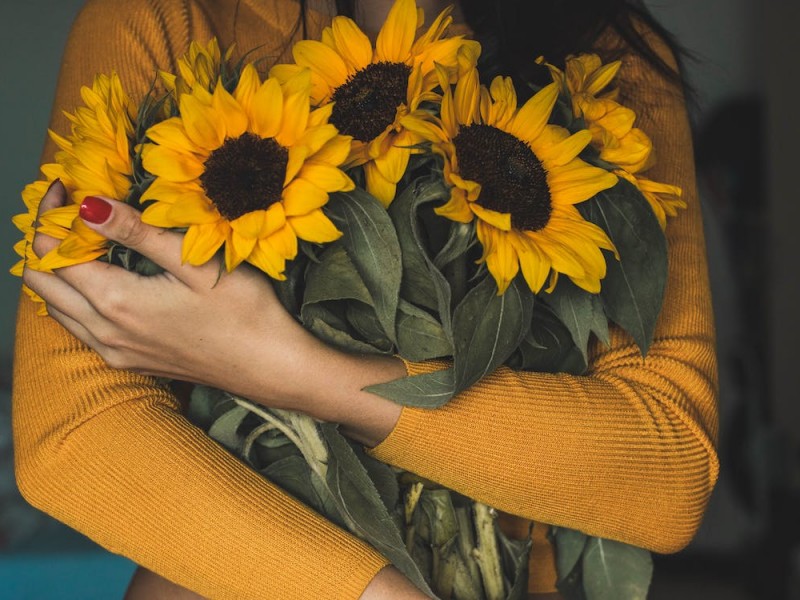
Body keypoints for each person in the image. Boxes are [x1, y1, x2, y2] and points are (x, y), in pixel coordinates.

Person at [14, 0, 719, 598]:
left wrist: (292, 370)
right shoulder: (165, 20)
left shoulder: (601, 54)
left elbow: (669, 468)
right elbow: (76, 435)